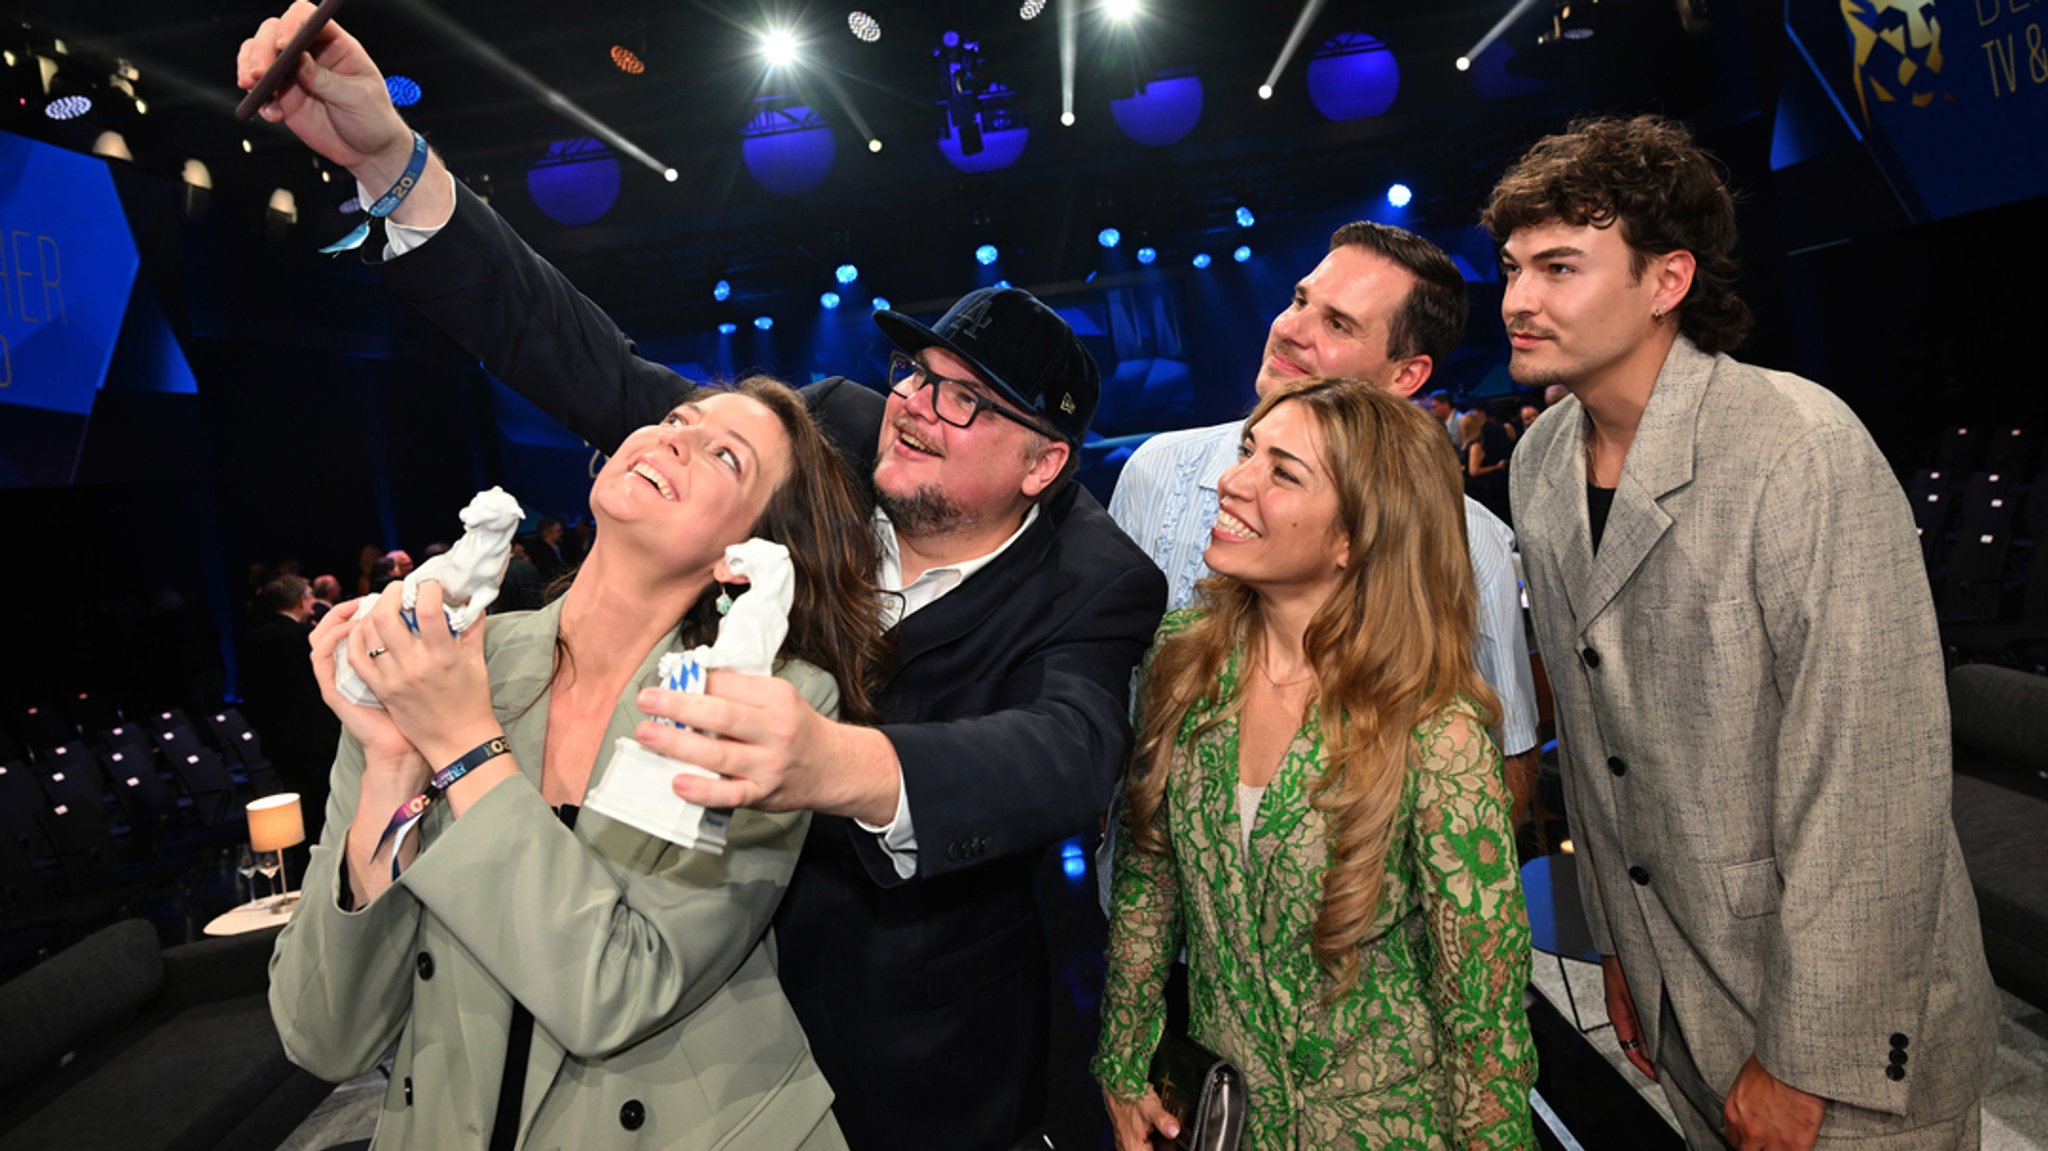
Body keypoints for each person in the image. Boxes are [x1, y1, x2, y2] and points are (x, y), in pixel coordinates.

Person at [238, 9, 1167, 1147]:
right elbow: (577, 354)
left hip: (885, 1034)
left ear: (1044, 463)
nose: (923, 403)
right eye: (920, 372)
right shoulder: (817, 440)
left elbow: (1066, 758)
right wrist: (391, 161)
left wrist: (836, 761)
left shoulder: (1094, 573)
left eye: (970, 400)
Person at [1489, 114, 1996, 1149]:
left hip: (1845, 1029)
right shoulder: (1540, 462)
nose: (1515, 300)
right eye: (1509, 267)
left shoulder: (1796, 447)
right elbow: (1590, 750)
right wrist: (1624, 953)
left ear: (1665, 279)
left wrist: (1805, 1059)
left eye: (1557, 266)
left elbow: (1872, 778)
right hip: (1680, 998)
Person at [270, 377, 888, 1151]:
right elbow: (324, 1036)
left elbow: (614, 994)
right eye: (673, 419)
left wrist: (462, 747)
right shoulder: (447, 662)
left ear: (751, 552)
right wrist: (394, 767)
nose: (672, 439)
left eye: (723, 455)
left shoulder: (767, 704)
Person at [1093, 377, 1536, 1151]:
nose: (1233, 481)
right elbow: (1148, 866)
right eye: (1247, 453)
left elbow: (1483, 1006)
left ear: (1354, 538)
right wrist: (1124, 1058)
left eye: (1282, 471)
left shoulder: (1436, 727)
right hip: (1224, 1120)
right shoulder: (1183, 657)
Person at [1107, 221, 1541, 820]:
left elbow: (1506, 762)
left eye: (1337, 324)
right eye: (1299, 301)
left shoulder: (1470, 541)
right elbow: (1110, 703)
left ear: (1405, 376)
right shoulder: (1155, 474)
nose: (1289, 330)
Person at [239, 574, 339, 834]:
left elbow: (247, 695)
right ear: (301, 601)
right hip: (318, 740)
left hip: (278, 742)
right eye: (309, 595)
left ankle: (303, 870)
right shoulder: (306, 637)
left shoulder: (250, 641)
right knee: (323, 812)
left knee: (298, 814)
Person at [1461, 408, 1512, 527]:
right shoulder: (1475, 445)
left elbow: (1471, 470)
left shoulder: (1469, 446)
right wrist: (1496, 467)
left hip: (1476, 490)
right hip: (1480, 490)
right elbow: (1473, 470)